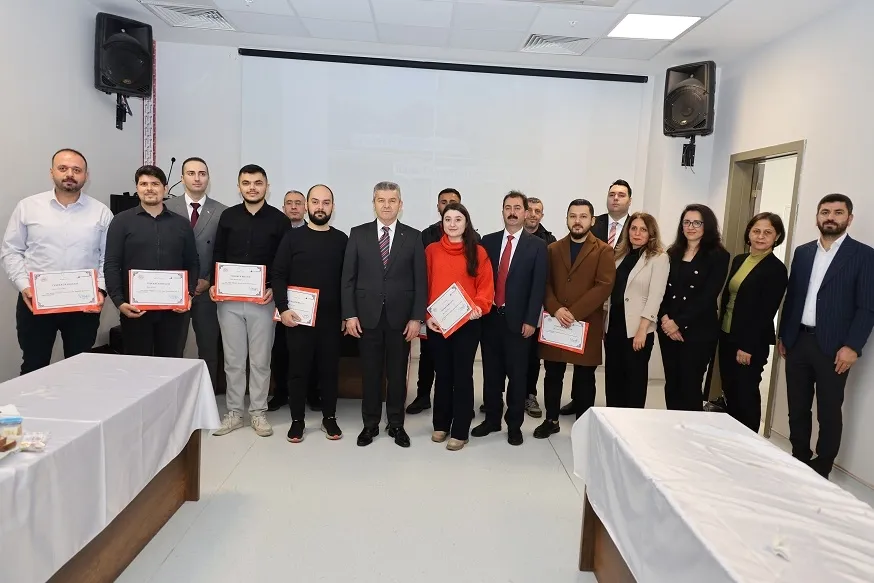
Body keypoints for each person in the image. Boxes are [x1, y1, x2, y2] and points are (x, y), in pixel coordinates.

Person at [778, 194, 874, 478]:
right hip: (797, 341)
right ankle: (799, 457)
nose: (830, 217)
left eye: (838, 212)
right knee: (797, 407)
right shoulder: (803, 252)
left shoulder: (864, 255)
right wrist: (784, 335)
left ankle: (822, 468)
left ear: (849, 218)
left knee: (829, 411)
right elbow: (793, 297)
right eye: (825, 212)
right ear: (817, 217)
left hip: (834, 347)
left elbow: (867, 307)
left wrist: (852, 346)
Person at [1, 149, 112, 375]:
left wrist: (100, 289)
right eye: (63, 168)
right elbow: (11, 251)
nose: (70, 174)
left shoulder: (101, 212)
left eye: (77, 170)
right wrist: (25, 287)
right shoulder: (28, 207)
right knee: (34, 365)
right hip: (36, 302)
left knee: (80, 368)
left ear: (86, 175)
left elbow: (107, 258)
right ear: (52, 172)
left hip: (84, 306)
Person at [342, 182, 427, 448]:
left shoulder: (413, 237)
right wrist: (349, 315)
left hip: (401, 321)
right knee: (370, 374)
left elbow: (420, 281)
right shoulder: (358, 234)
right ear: (374, 203)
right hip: (366, 318)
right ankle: (370, 424)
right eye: (381, 200)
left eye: (392, 200)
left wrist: (416, 318)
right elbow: (348, 279)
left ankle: (396, 424)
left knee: (397, 375)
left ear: (400, 204)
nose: (387, 205)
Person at [211, 165, 289, 438]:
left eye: (258, 182)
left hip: (263, 300)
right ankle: (234, 412)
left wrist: (274, 290)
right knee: (233, 360)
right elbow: (218, 253)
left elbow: (283, 262)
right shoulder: (228, 217)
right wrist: (214, 283)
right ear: (239, 187)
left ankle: (257, 412)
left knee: (260, 361)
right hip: (229, 300)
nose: (252, 187)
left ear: (267, 186)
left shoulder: (279, 220)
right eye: (246, 183)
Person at [272, 184, 348, 443]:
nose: (320, 207)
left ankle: (329, 417)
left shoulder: (342, 240)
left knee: (329, 370)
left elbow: (348, 281)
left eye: (326, 202)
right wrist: (283, 308)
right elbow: (278, 274)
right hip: (298, 318)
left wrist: (346, 314)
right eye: (315, 202)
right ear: (307, 206)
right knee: (298, 370)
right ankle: (297, 421)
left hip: (331, 319)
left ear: (333, 207)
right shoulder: (292, 238)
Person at [535, 199, 615, 438]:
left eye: (583, 216)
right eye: (573, 216)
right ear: (567, 219)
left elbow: (604, 285)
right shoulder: (553, 249)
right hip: (556, 321)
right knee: (553, 373)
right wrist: (556, 309)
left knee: (584, 377)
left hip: (586, 323)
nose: (577, 221)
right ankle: (551, 420)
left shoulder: (603, 250)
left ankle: (583, 424)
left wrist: (574, 313)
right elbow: (544, 283)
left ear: (592, 220)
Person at [474, 191, 547, 446]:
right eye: (508, 207)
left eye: (517, 207)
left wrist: (531, 320)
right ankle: (492, 419)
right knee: (491, 374)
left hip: (519, 322)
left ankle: (514, 425)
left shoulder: (537, 245)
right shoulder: (489, 241)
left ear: (526, 212)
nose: (512, 212)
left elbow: (538, 286)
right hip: (490, 320)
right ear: (502, 211)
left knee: (518, 377)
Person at [104, 165, 198, 356]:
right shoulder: (121, 221)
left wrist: (188, 294)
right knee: (138, 363)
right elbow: (112, 264)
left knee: (171, 362)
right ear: (137, 188)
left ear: (165, 188)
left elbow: (192, 262)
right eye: (143, 184)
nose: (149, 188)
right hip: (135, 309)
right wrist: (119, 302)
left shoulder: (181, 224)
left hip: (173, 310)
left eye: (155, 184)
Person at [425, 202, 494, 451]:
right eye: (448, 219)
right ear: (441, 223)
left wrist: (479, 306)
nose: (452, 224)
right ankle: (441, 424)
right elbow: (424, 285)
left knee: (462, 376)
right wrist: (427, 315)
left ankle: (460, 430)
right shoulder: (431, 251)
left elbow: (486, 286)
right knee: (442, 374)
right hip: (438, 324)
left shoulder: (478, 252)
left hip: (467, 324)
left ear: (466, 223)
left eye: (458, 219)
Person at [561, 179, 631, 415]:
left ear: (629, 200)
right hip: (588, 303)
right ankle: (577, 400)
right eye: (612, 194)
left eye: (621, 195)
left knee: (612, 359)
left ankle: (613, 407)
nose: (616, 198)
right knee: (580, 356)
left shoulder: (636, 226)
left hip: (620, 302)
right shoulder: (593, 222)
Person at [718, 212, 788, 432]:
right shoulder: (740, 260)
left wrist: (747, 346)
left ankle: (749, 440)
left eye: (768, 232)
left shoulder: (776, 269)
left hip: (749, 343)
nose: (760, 236)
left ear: (777, 237)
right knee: (730, 390)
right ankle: (732, 436)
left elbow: (765, 313)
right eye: (756, 231)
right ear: (749, 233)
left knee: (745, 394)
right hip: (727, 334)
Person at [658, 204, 730, 411]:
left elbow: (708, 296)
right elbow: (660, 289)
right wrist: (665, 319)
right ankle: (673, 424)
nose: (691, 227)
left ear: (707, 225)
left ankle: (690, 429)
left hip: (698, 332)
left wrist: (678, 323)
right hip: (668, 329)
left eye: (697, 222)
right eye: (687, 222)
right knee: (672, 383)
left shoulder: (718, 255)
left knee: (690, 385)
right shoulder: (672, 253)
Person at [165, 157, 226, 389]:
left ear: (208, 178)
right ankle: (172, 395)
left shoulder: (222, 211)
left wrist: (209, 280)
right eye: (191, 173)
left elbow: (224, 253)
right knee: (173, 348)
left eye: (202, 173)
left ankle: (206, 396)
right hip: (175, 291)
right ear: (182, 178)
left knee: (209, 348)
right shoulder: (167, 208)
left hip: (206, 290)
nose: (197, 178)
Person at [407, 188, 466, 415]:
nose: (448, 204)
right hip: (433, 311)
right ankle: (423, 396)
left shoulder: (473, 238)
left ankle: (458, 400)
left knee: (459, 361)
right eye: (443, 202)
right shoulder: (426, 235)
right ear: (438, 207)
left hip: (461, 313)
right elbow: (422, 274)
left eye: (453, 201)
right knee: (428, 355)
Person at [604, 212, 669, 409]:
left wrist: (642, 330)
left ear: (651, 233)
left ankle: (632, 422)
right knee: (613, 377)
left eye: (643, 229)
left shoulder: (659, 258)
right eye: (633, 228)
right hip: (614, 325)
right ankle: (612, 418)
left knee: (634, 380)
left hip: (637, 328)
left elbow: (655, 296)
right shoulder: (619, 255)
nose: (637, 233)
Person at [268, 189, 321, 412]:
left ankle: (312, 393)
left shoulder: (316, 232)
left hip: (310, 303)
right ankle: (280, 392)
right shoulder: (276, 233)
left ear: (306, 208)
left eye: (298, 203)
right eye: (289, 203)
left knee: (311, 351)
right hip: (282, 301)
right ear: (283, 208)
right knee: (281, 349)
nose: (293, 207)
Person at [522, 196, 556, 418]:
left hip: (538, 308)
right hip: (511, 306)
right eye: (530, 210)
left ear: (542, 215)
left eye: (538, 211)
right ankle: (498, 395)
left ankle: (529, 394)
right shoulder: (511, 236)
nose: (533, 214)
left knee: (533, 356)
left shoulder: (550, 241)